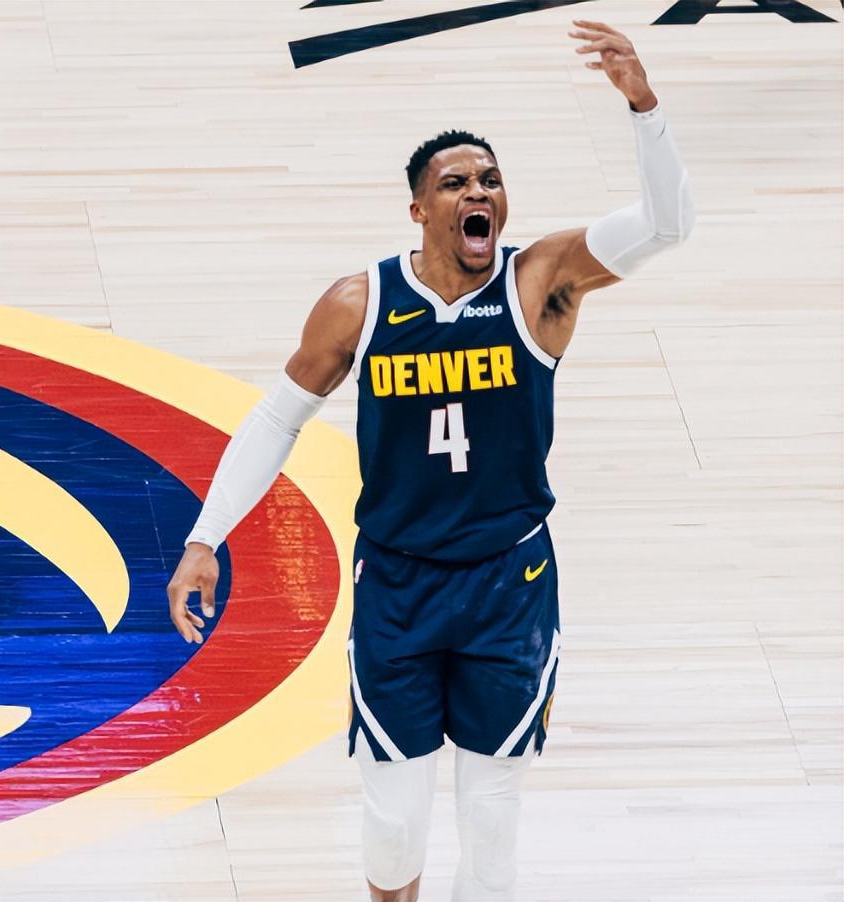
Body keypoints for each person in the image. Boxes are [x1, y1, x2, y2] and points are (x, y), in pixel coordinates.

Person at [167, 20, 693, 902]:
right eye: (456, 182)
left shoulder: (540, 282)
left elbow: (668, 226)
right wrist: (204, 537)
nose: (478, 191)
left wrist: (644, 107)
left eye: (490, 179)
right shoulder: (361, 302)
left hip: (508, 582)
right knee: (393, 827)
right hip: (398, 581)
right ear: (419, 210)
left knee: (491, 825)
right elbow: (277, 418)